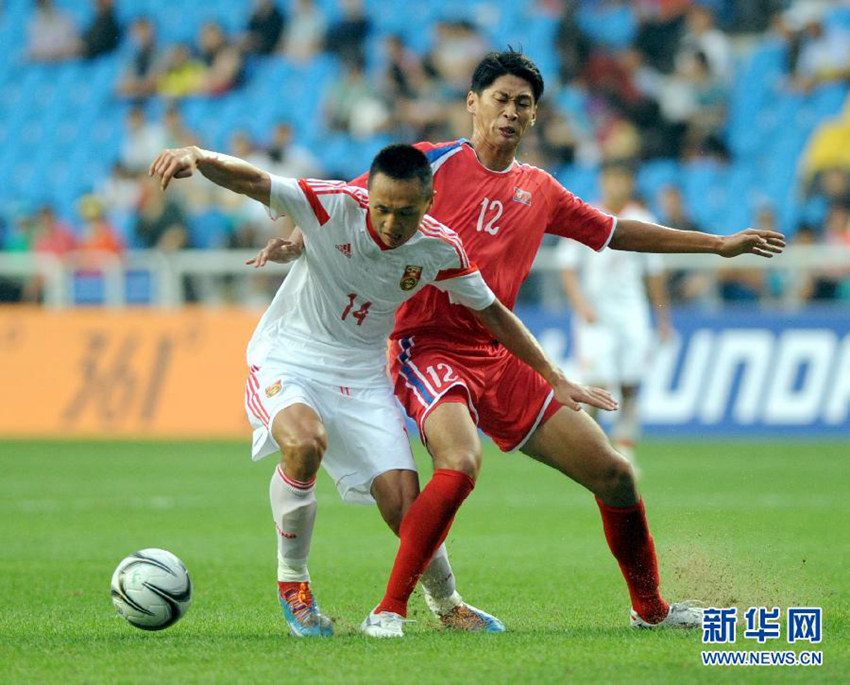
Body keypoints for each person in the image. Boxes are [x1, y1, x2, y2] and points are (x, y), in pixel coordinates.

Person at [272, 50, 785, 638]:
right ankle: (389, 609)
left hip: (503, 353)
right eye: (500, 99)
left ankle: (652, 610)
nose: (511, 112)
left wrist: (717, 245)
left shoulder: (538, 189)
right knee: (460, 461)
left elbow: (615, 232)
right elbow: (345, 202)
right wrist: (291, 239)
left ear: (535, 117)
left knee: (614, 473)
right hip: (427, 347)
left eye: (523, 104)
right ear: (472, 103)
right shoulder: (427, 164)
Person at [148, 143, 616, 638]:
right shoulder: (331, 203)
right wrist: (199, 157)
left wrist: (553, 375)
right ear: (367, 195)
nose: (392, 223)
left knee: (405, 505)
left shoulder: (440, 247)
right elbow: (254, 180)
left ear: (430, 202)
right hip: (290, 357)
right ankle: (294, 585)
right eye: (383, 208)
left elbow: (494, 312)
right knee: (304, 443)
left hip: (363, 375)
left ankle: (447, 604)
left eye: (406, 212)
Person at [557, 162, 670, 464]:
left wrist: (662, 318)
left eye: (621, 179)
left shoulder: (643, 219)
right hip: (595, 317)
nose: (615, 185)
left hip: (633, 313)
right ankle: (594, 451)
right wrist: (581, 304)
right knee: (597, 385)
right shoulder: (585, 215)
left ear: (630, 183)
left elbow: (654, 274)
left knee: (631, 384)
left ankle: (626, 446)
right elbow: (567, 268)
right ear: (601, 182)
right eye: (610, 179)